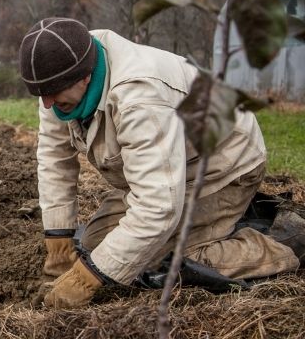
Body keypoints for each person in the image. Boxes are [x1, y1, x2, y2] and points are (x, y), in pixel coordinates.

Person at [19, 17, 305, 308]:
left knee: (155, 263)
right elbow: (55, 159)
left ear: (85, 77)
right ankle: (219, 223)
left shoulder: (138, 98)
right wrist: (58, 244)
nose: (47, 104)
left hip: (223, 164)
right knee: (95, 247)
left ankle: (283, 244)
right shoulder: (58, 76)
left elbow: (158, 208)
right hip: (170, 164)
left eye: (53, 95)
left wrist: (85, 279)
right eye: (41, 95)